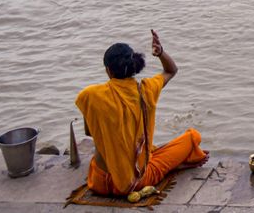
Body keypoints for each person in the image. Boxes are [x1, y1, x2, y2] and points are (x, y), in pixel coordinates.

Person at [75, 31, 208, 196]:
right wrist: (160, 53)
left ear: (108, 71)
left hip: (99, 182)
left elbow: (90, 132)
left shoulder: (90, 95)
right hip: (136, 182)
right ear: (135, 67)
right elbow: (171, 70)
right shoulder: (147, 89)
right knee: (192, 137)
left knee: (149, 149)